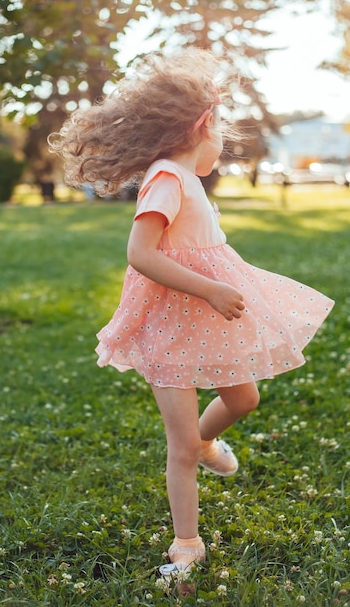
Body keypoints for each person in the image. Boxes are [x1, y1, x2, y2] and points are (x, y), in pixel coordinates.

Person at [48, 48, 334, 576]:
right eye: (221, 127)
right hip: (171, 321)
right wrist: (208, 288)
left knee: (243, 397)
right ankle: (187, 543)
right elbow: (142, 254)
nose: (223, 140)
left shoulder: (185, 180)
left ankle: (206, 443)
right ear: (200, 127)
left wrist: (213, 290)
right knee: (178, 444)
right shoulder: (166, 180)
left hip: (208, 315)